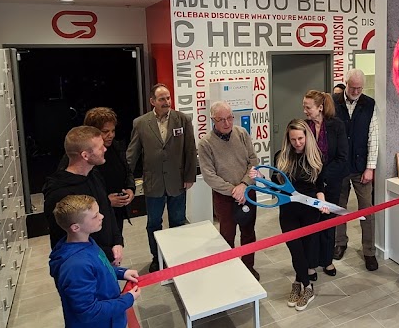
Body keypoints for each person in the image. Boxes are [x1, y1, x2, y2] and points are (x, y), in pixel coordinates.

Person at [127, 84, 198, 273]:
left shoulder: (182, 119)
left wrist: (190, 176)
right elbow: (132, 154)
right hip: (153, 183)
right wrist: (125, 179)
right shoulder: (141, 123)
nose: (167, 102)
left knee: (178, 221)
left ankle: (177, 257)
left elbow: (190, 150)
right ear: (152, 101)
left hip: (178, 181)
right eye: (162, 99)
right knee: (153, 223)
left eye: (168, 98)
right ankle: (156, 258)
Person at [49, 194, 140, 328]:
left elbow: (99, 268)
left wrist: (121, 273)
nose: (101, 216)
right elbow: (88, 312)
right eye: (95, 216)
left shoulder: (87, 241)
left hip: (111, 318)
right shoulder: (75, 266)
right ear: (75, 227)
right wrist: (127, 299)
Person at [265, 119, 328, 311]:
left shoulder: (316, 157)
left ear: (307, 137)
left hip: (310, 210)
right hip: (288, 211)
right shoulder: (280, 156)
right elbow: (274, 185)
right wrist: (260, 179)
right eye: (293, 139)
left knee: (306, 249)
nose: (297, 143)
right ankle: (307, 286)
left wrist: (322, 201)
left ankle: (299, 284)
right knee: (295, 249)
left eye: (300, 138)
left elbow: (319, 185)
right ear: (288, 139)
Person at [198, 101, 261, 280]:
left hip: (248, 191)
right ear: (213, 120)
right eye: (221, 120)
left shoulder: (242, 133)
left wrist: (244, 185)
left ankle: (248, 267)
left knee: (248, 232)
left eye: (230, 118)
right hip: (224, 198)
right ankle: (229, 272)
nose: (227, 123)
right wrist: (234, 190)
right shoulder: (205, 143)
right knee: (227, 235)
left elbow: (253, 161)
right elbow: (209, 175)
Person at [44, 126, 125, 265]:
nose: (105, 149)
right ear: (85, 155)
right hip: (87, 263)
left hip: (107, 256)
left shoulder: (94, 175)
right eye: (100, 147)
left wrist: (117, 241)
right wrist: (104, 255)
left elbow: (107, 210)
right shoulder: (59, 194)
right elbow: (64, 239)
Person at [57, 107, 135, 234]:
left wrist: (130, 188)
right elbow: (73, 197)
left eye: (113, 131)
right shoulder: (76, 158)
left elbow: (127, 171)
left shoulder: (116, 147)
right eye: (105, 132)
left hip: (116, 213)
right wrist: (106, 202)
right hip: (90, 219)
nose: (111, 135)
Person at [332, 69, 380, 270]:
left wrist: (370, 167)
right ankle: (339, 243)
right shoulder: (332, 102)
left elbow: (373, 137)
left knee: (367, 209)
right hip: (339, 167)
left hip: (361, 168)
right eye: (353, 87)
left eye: (359, 88)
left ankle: (369, 251)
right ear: (346, 83)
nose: (356, 91)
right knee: (338, 208)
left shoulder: (369, 104)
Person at [302, 90, 348, 277]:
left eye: (308, 107)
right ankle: (310, 264)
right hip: (309, 185)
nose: (305, 111)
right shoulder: (303, 126)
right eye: (304, 107)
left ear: (320, 107)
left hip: (331, 183)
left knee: (328, 223)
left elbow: (342, 157)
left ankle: (327, 261)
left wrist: (323, 177)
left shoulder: (336, 126)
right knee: (311, 224)